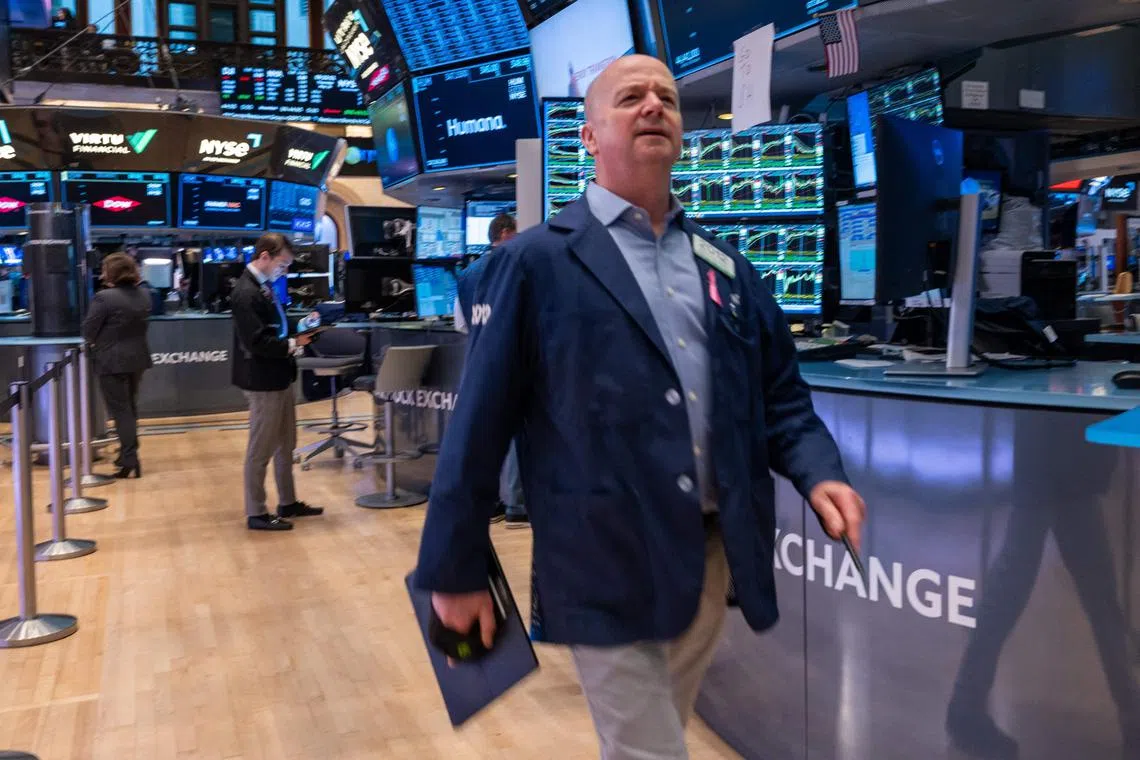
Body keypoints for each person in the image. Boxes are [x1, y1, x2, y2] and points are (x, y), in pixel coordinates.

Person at [415, 55, 866, 759]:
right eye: (631, 97)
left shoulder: (727, 268)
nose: (654, 105)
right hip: (602, 557)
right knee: (650, 751)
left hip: (709, 557)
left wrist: (820, 472)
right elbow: (477, 426)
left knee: (653, 738)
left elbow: (779, 397)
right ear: (590, 136)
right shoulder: (533, 264)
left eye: (667, 98)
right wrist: (455, 567)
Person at [231, 233, 324, 531]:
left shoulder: (264, 286)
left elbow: (275, 328)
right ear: (264, 256)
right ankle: (256, 512)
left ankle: (288, 502)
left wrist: (301, 327)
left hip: (279, 375)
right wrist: (295, 344)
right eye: (282, 264)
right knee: (261, 448)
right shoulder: (245, 292)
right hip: (262, 379)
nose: (284, 271)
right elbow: (257, 342)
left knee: (286, 444)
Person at [453, 214, 527, 527]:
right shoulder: (518, 266)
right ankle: (516, 507)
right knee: (517, 435)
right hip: (512, 361)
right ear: (507, 233)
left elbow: (461, 324)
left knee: (486, 434)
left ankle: (491, 504)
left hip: (477, 363)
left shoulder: (467, 274)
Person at [82, 252, 152, 479]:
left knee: (121, 411)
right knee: (130, 409)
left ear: (111, 272)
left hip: (111, 361)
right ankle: (128, 455)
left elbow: (88, 331)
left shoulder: (104, 298)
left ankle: (129, 459)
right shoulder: (144, 294)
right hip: (138, 359)